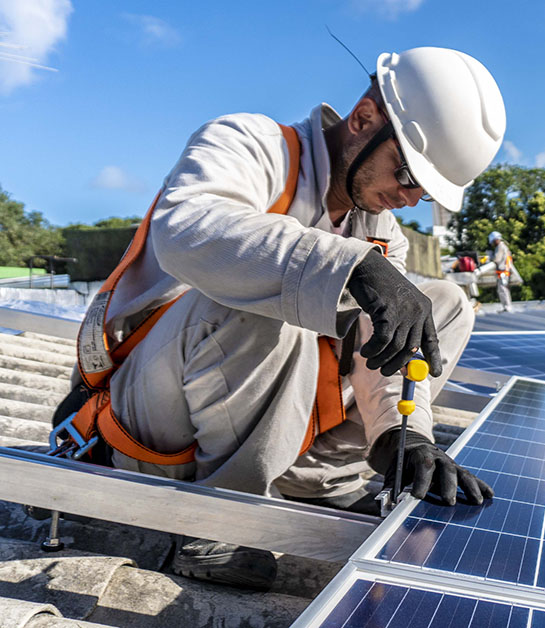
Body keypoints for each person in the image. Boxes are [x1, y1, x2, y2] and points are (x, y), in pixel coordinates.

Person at [54, 47, 503, 590]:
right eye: (407, 174)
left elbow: (382, 349)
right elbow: (186, 230)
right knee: (261, 292)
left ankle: (319, 482)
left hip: (275, 437)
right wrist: (349, 265)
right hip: (149, 423)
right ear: (364, 119)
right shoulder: (250, 143)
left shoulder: (381, 228)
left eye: (424, 191)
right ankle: (222, 517)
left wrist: (402, 437)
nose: (409, 200)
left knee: (440, 304)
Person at [489, 231, 513, 312]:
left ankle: (507, 307)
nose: (493, 244)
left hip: (503, 272)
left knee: (503, 289)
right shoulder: (503, 246)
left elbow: (496, 259)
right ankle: (506, 306)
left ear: (495, 240)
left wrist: (490, 255)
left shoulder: (500, 247)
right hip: (504, 271)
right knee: (503, 289)